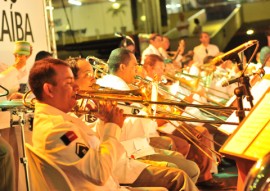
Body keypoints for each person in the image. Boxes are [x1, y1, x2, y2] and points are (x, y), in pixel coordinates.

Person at [29, 57, 199, 191]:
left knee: (179, 174)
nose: (75, 88)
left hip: (114, 178)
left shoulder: (58, 120)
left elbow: (92, 149)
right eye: (68, 83)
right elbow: (99, 172)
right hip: (110, 181)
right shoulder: (58, 130)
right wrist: (113, 126)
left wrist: (105, 123)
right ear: (49, 90)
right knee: (180, 179)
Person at [142, 54, 226, 189]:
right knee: (186, 142)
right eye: (160, 68)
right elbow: (156, 116)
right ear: (149, 68)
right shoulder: (145, 86)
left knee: (202, 132)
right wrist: (182, 104)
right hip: (162, 127)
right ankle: (192, 177)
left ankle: (204, 177)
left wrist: (182, 104)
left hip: (170, 123)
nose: (162, 71)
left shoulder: (159, 84)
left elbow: (169, 109)